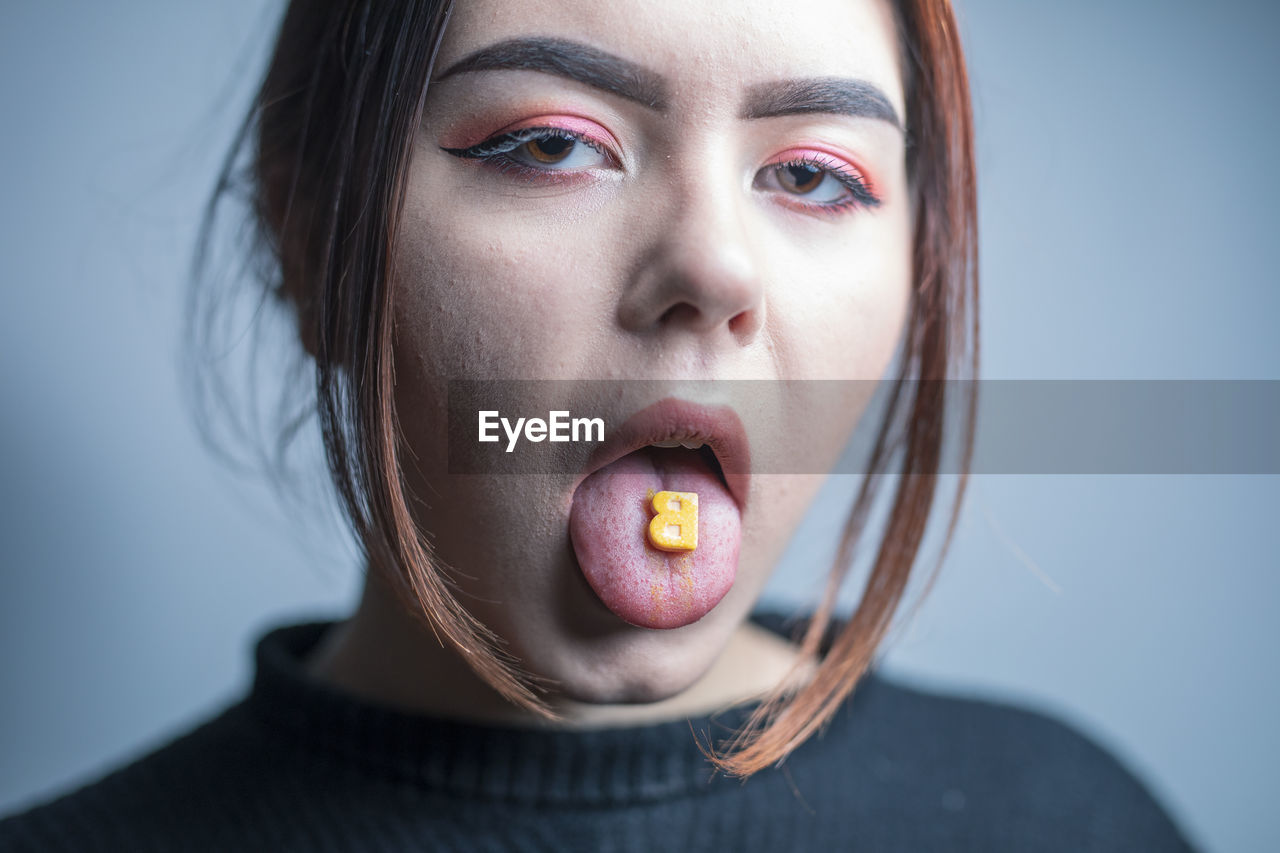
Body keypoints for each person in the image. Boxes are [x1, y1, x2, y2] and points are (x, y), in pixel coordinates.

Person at [0, 0, 1197, 850]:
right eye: (552, 144)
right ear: (304, 228)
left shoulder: (1067, 821)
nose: (712, 267)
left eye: (813, 174)